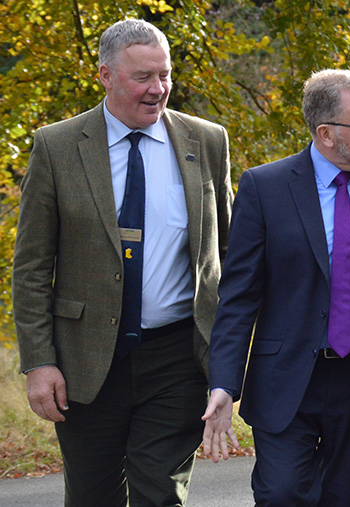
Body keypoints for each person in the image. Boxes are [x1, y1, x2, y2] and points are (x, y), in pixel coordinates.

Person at [12, 18, 233, 506]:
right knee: (93, 496)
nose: (158, 90)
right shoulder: (58, 147)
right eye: (143, 78)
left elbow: (229, 259)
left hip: (177, 357)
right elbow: (30, 269)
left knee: (161, 494)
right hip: (87, 361)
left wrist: (230, 362)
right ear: (106, 76)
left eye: (166, 75)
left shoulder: (207, 142)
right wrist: (40, 362)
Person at [201, 69, 350, 506]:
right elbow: (238, 297)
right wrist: (224, 383)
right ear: (326, 133)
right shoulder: (265, 187)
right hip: (287, 377)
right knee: (281, 495)